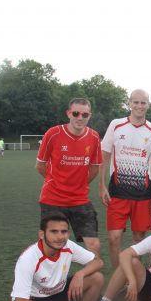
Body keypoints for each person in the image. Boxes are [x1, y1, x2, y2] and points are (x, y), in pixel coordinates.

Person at [10, 212, 104, 301]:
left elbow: (98, 262)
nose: (60, 237)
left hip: (59, 293)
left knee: (97, 278)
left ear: (68, 233)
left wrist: (80, 274)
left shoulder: (68, 246)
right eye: (54, 231)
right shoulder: (28, 259)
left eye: (64, 232)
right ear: (42, 234)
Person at [99, 89, 151, 268]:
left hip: (143, 194)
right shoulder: (116, 125)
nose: (139, 106)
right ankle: (117, 276)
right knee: (114, 238)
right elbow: (104, 156)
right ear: (129, 103)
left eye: (143, 102)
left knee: (139, 240)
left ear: (148, 105)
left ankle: (133, 275)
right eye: (136, 102)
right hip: (117, 191)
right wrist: (102, 186)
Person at [36, 97, 102, 256]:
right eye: (76, 113)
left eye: (85, 115)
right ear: (68, 113)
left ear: (89, 116)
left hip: (80, 199)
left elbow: (94, 168)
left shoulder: (94, 137)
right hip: (53, 199)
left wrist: (80, 184)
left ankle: (92, 272)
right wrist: (56, 182)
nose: (80, 118)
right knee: (51, 245)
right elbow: (40, 165)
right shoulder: (53, 133)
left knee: (94, 244)